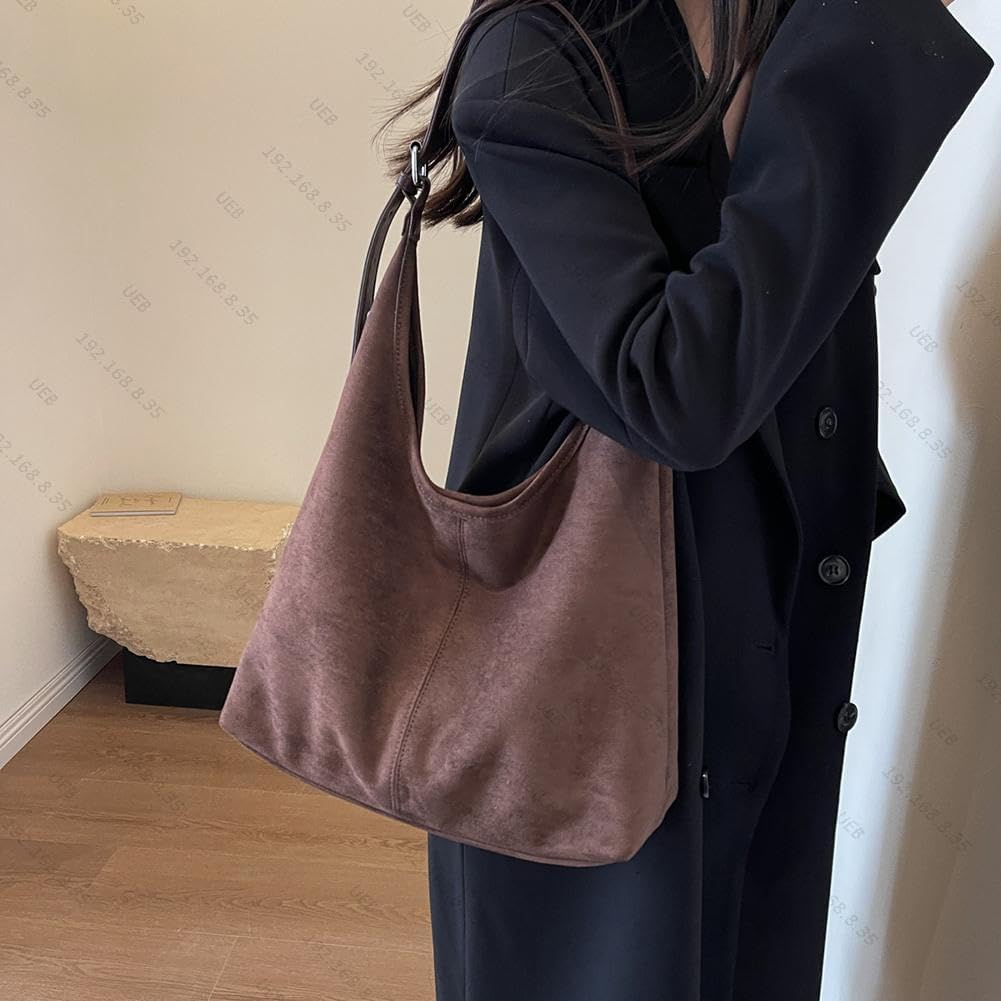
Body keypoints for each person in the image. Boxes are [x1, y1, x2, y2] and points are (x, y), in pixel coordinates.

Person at [379, 0, 994, 998]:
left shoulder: (772, 33)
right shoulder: (535, 53)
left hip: (765, 667)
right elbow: (672, 389)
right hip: (587, 699)